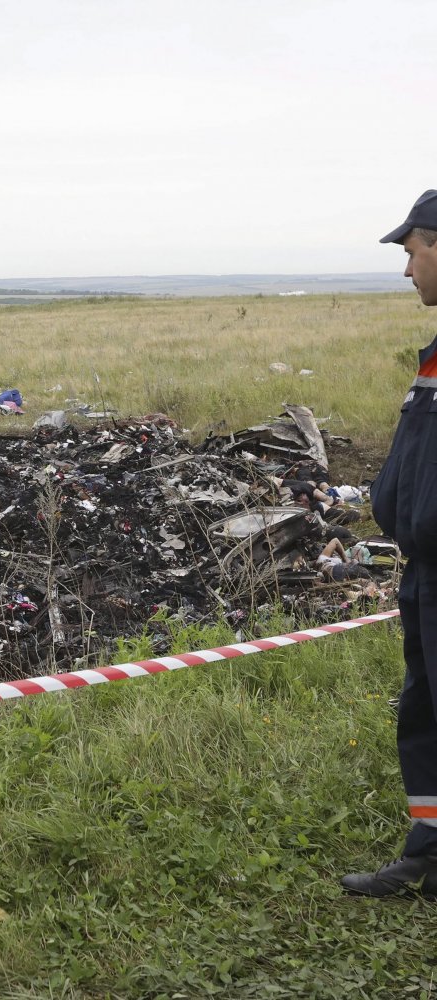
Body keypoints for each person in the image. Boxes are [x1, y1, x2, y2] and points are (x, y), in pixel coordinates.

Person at [342, 189, 437, 897]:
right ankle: (429, 855)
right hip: (424, 570)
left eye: (413, 253)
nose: (407, 271)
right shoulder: (434, 357)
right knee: (424, 711)